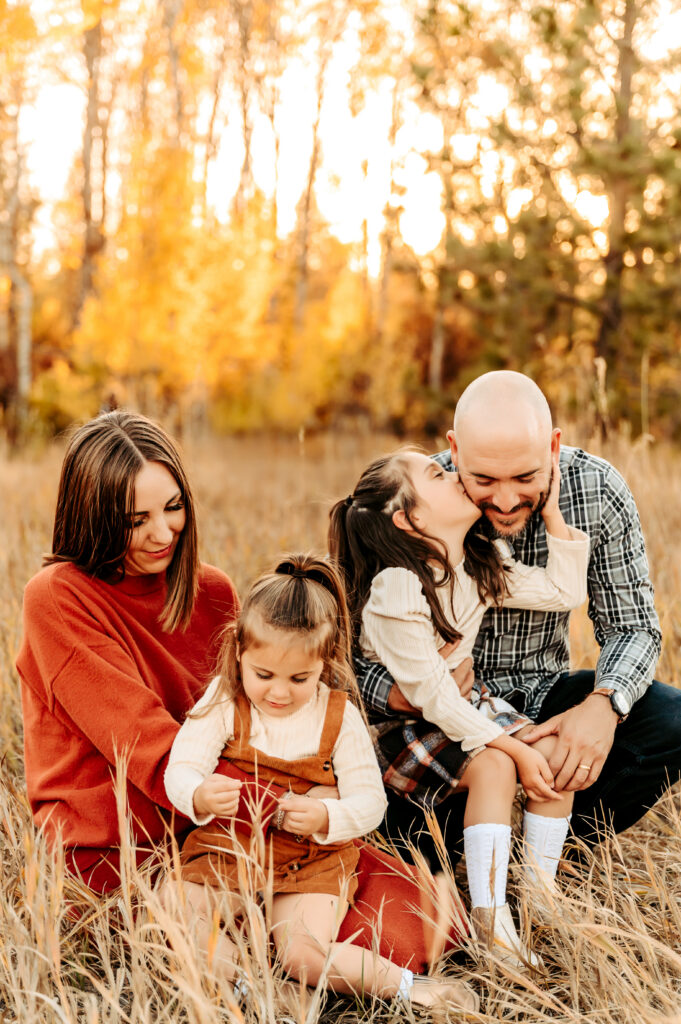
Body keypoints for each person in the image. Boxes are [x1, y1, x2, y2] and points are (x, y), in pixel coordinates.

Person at [15, 409, 469, 983]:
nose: (163, 533)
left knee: (412, 927)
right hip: (125, 837)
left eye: (173, 508)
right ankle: (258, 983)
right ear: (92, 518)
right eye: (136, 520)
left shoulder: (210, 590)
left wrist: (316, 796)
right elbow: (141, 739)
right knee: (195, 937)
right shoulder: (56, 598)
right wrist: (273, 800)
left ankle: (284, 946)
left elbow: (259, 709)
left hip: (237, 822)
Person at [349, 372, 680, 873]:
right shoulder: (415, 499)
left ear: (552, 446)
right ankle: (450, 854)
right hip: (433, 719)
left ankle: (541, 856)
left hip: (537, 697)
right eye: (483, 480)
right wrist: (401, 694)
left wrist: (604, 704)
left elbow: (632, 627)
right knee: (382, 795)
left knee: (670, 720)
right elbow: (347, 651)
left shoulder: (597, 490)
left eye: (526, 477)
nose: (505, 501)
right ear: (454, 452)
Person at [164, 554, 477, 1010]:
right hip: (228, 845)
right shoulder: (224, 698)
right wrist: (198, 792)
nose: (278, 692)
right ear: (239, 652)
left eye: (300, 678)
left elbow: (370, 800)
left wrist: (327, 815)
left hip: (310, 857)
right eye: (264, 674)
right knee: (176, 916)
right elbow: (182, 767)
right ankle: (258, 993)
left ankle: (414, 989)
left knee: (302, 952)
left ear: (325, 663)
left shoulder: (339, 715)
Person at [329, 447, 589, 965]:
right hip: (399, 729)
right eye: (435, 474)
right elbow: (433, 698)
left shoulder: (472, 564)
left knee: (555, 756)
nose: (450, 473)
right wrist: (513, 749)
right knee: (497, 764)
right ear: (410, 518)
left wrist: (555, 514)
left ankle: (538, 899)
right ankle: (493, 929)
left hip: (462, 710)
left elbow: (564, 591)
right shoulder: (397, 587)